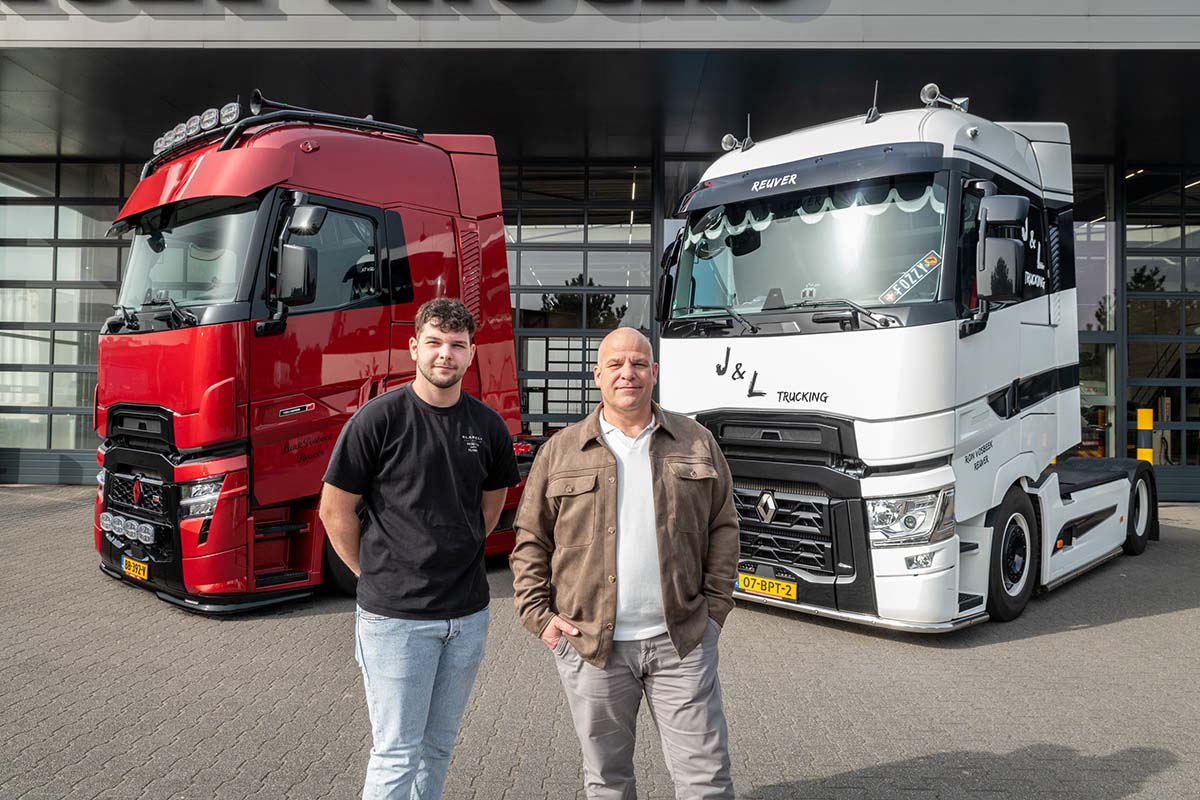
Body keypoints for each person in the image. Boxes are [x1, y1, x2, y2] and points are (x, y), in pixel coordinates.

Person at [511, 327, 739, 800]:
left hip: (682, 642)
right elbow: (531, 538)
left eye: (637, 364)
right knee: (607, 780)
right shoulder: (561, 451)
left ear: (654, 372)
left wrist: (715, 611)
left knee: (706, 779)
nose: (627, 373)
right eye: (615, 364)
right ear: (598, 375)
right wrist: (539, 617)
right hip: (592, 647)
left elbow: (724, 525)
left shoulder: (695, 441)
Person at [319, 298, 520, 800]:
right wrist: (369, 574)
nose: (444, 354)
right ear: (413, 348)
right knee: (395, 753)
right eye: (434, 342)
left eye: (456, 344)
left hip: (467, 617)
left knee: (437, 748)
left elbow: (490, 507)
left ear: (471, 353)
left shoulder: (488, 427)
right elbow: (334, 510)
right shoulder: (378, 421)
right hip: (396, 620)